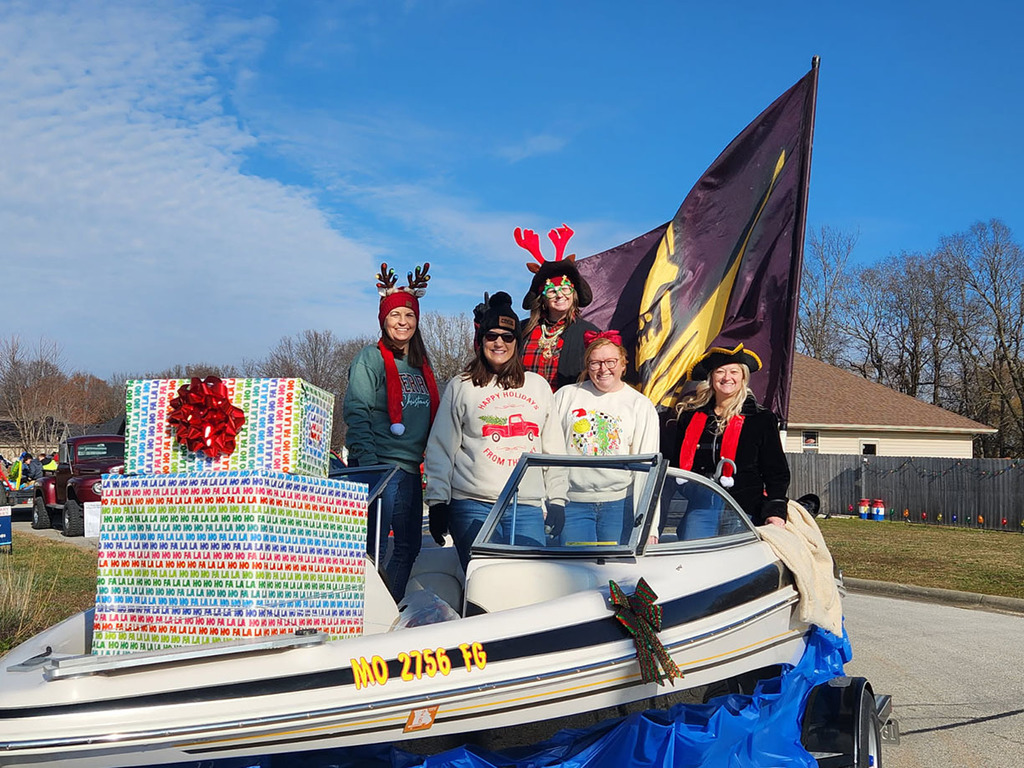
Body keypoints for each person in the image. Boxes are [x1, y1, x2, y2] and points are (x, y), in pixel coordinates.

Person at [424, 292, 569, 570]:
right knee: (483, 579)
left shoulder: (537, 386)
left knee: (529, 579)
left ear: (517, 343)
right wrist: (438, 500)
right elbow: (441, 447)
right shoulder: (462, 385)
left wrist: (558, 499)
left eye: (507, 337)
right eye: (491, 336)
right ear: (481, 341)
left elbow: (553, 450)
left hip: (525, 505)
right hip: (472, 503)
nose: (499, 342)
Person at [343, 262, 440, 602]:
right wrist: (371, 466)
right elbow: (356, 410)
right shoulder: (370, 358)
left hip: (410, 468)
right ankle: (365, 611)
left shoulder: (421, 365)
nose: (402, 321)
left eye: (409, 315)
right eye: (395, 315)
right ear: (383, 320)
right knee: (374, 548)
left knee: (409, 547)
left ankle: (387, 605)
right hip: (381, 466)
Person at [664, 344, 790, 532]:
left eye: (734, 371)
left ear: (743, 377)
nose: (727, 377)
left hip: (745, 510)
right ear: (711, 378)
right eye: (720, 372)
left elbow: (776, 471)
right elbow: (674, 466)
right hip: (700, 507)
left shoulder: (761, 419)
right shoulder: (690, 418)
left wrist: (775, 511)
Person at [553, 330, 660, 545]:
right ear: (587, 365)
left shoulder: (640, 405)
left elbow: (648, 469)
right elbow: (548, 451)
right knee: (577, 566)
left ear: (623, 363)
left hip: (619, 507)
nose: (603, 369)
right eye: (595, 363)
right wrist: (549, 502)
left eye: (611, 361)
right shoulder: (566, 396)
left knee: (615, 566)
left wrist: (650, 525)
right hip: (572, 504)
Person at [514, 224, 598, 390]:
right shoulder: (522, 331)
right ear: (543, 299)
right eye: (552, 291)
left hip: (568, 405)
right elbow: (494, 356)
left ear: (573, 294)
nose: (560, 295)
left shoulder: (589, 333)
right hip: (525, 403)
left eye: (565, 289)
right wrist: (484, 326)